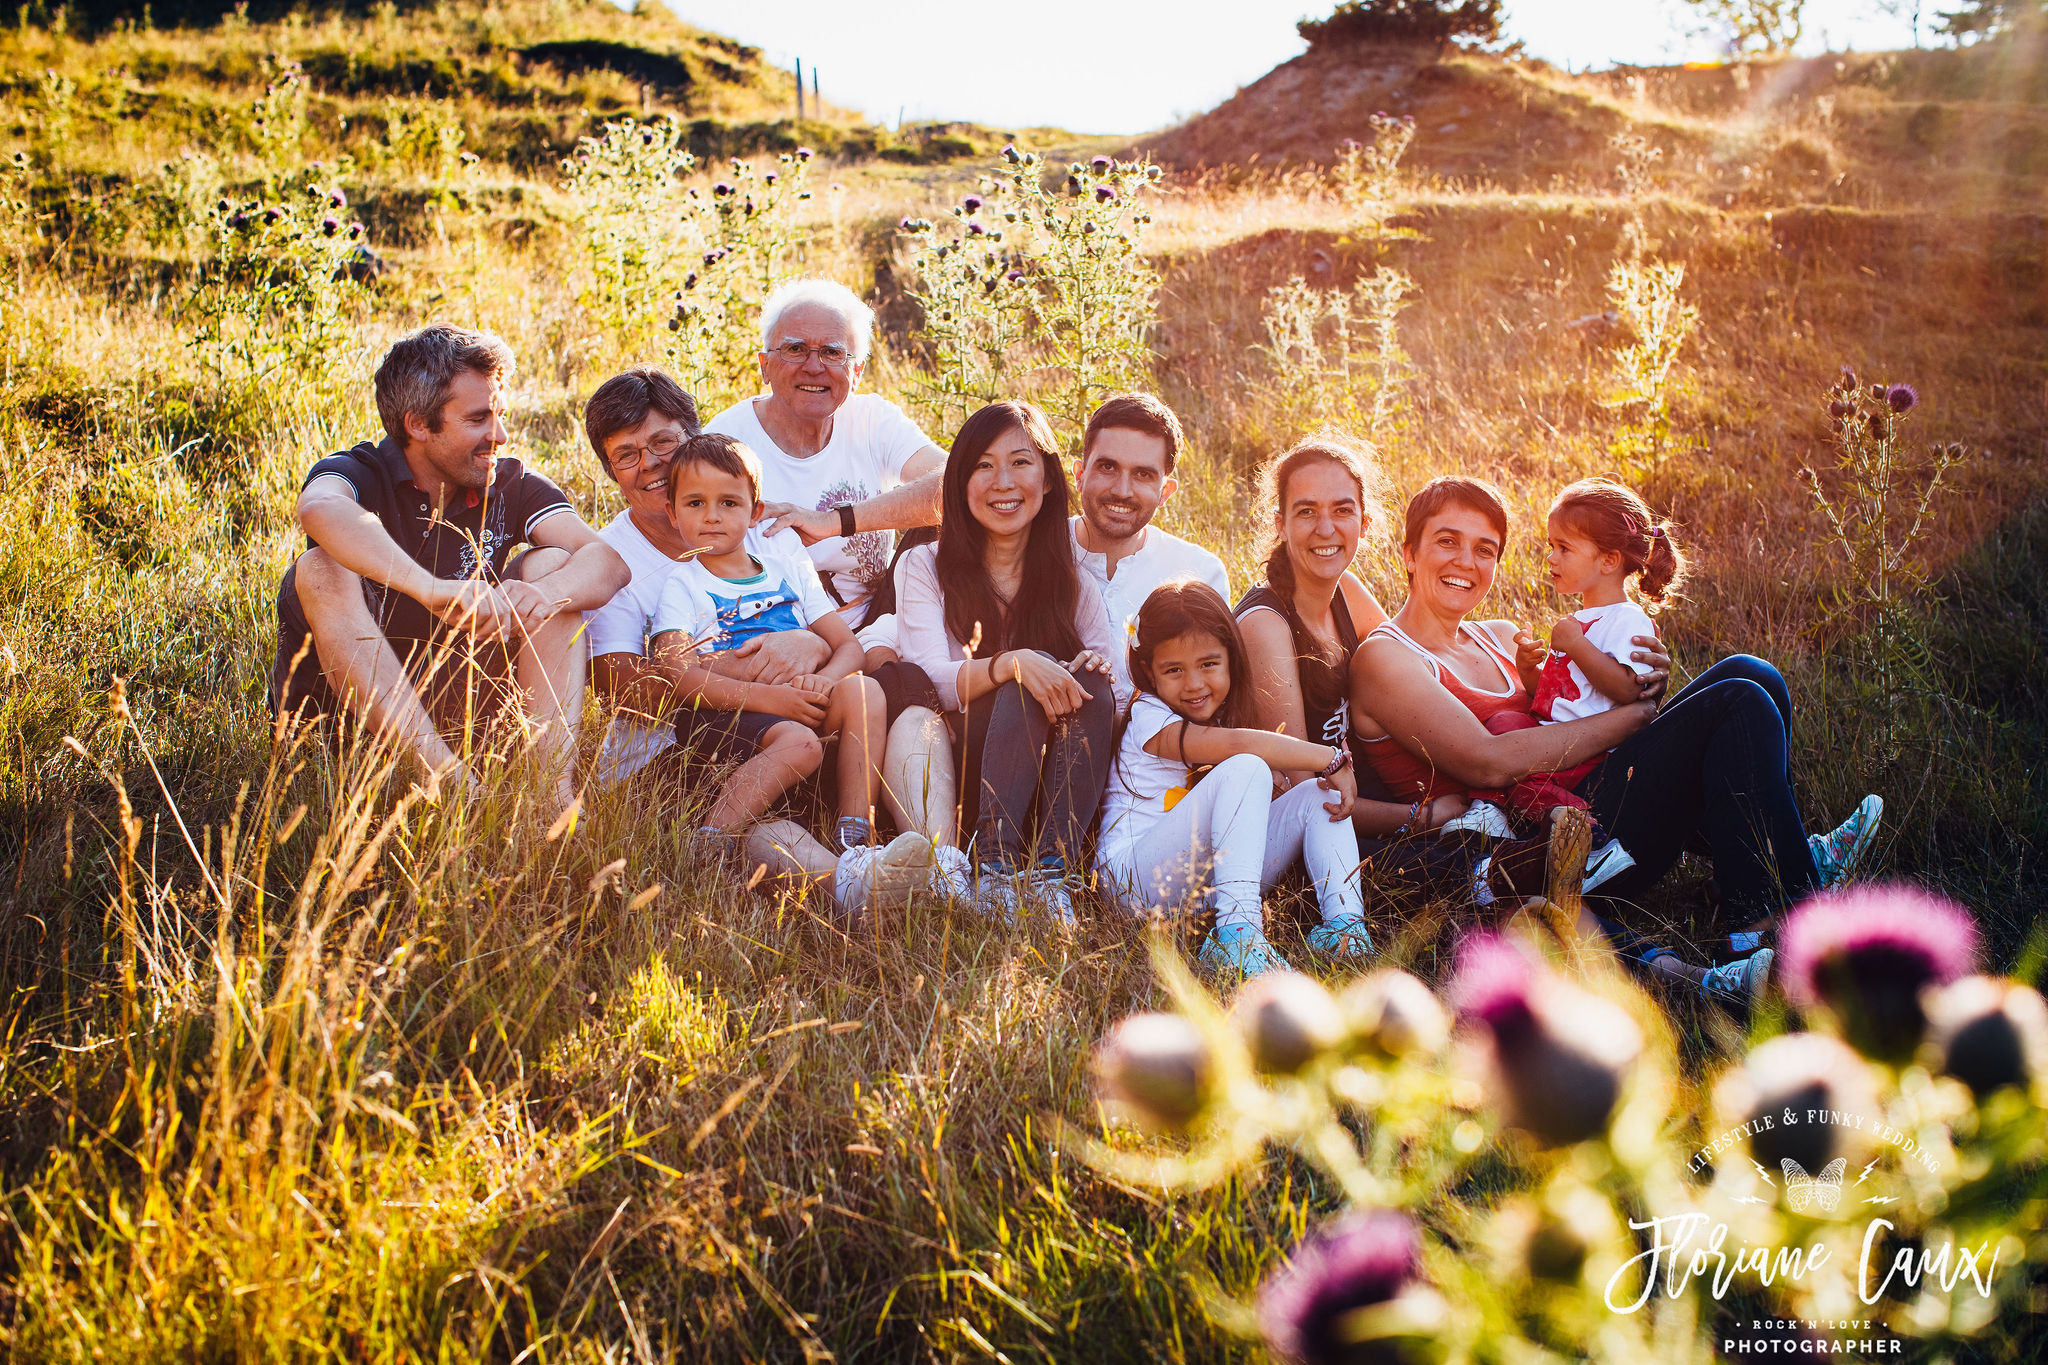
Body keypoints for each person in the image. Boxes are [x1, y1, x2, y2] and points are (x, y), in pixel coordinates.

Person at [1349, 475, 1881, 1010]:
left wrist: (1642, 680)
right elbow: (1489, 764)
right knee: (1737, 703)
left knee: (1751, 674)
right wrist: (1636, 717)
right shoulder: (1386, 657)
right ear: (1409, 553)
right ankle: (1772, 921)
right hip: (1555, 840)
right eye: (1447, 541)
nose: (1466, 561)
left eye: (1484, 549)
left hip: (1589, 789)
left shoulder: (1503, 636)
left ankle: (1756, 871)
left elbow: (1578, 704)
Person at [270, 325, 627, 806]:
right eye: (479, 418)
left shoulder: (511, 482)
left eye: (500, 415)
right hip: (347, 738)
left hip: (472, 724)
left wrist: (543, 593)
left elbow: (605, 561)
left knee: (556, 565)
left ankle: (551, 793)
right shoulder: (362, 471)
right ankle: (453, 786)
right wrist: (430, 588)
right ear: (418, 425)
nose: (498, 435)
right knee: (320, 568)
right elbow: (319, 508)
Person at [702, 279, 957, 849]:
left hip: (879, 623)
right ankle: (857, 833)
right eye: (795, 349)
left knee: (934, 535)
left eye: (832, 352)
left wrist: (839, 520)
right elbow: (705, 553)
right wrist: (814, 642)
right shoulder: (726, 440)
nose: (813, 365)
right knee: (880, 688)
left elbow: (957, 484)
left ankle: (925, 851)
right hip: (783, 639)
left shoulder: (872, 420)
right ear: (764, 363)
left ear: (857, 369)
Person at [646, 433, 939, 912]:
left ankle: (855, 835)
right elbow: (677, 674)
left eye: (728, 502)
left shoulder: (785, 567)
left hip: (797, 706)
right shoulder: (685, 584)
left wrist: (825, 681)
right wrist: (772, 701)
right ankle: (709, 838)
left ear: (755, 511)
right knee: (800, 744)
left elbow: (847, 647)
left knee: (864, 691)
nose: (712, 516)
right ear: (674, 514)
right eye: (695, 504)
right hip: (728, 718)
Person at [897, 400, 1119, 925]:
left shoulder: (1074, 581)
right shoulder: (923, 565)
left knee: (1088, 674)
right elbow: (928, 680)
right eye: (983, 465)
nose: (1003, 482)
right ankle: (992, 871)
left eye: (1021, 463)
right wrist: (1011, 664)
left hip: (1058, 786)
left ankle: (1051, 875)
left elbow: (1115, 690)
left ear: (1046, 482)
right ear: (960, 480)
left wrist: (1082, 671)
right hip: (966, 776)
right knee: (1029, 670)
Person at [1100, 580, 1372, 977]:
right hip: (1132, 885)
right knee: (1247, 765)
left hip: (1201, 884)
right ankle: (1238, 934)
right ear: (1148, 672)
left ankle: (1345, 927)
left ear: (1231, 659)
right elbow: (1239, 747)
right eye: (1174, 670)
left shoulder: (1224, 715)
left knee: (1316, 793)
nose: (1194, 684)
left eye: (1209, 664)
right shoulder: (1149, 717)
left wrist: (1298, 780)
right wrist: (1329, 757)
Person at [1234, 438, 1473, 839]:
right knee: (1470, 862)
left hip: (1372, 797)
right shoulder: (1265, 624)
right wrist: (1421, 817)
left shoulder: (1347, 590)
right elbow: (1304, 792)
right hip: (1320, 833)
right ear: (1281, 524)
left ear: (1364, 523)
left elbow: (1411, 676)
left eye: (1342, 510)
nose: (1326, 528)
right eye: (1306, 511)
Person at [1068, 394, 1229, 690]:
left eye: (1143, 474)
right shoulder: (1033, 553)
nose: (1122, 490)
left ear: (1165, 492)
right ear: (1079, 474)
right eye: (1107, 467)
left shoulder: (1200, 573)